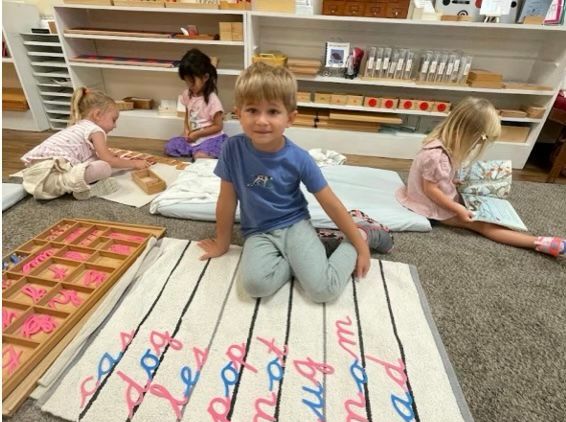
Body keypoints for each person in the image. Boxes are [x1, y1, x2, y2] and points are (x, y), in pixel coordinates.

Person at [198, 62, 393, 303]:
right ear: (238, 114)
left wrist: (359, 247)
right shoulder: (231, 149)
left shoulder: (299, 158)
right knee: (255, 285)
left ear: (290, 118)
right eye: (252, 110)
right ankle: (304, 258)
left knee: (324, 290)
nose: (261, 120)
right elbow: (227, 199)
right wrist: (222, 243)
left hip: (294, 225)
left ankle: (363, 234)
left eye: (272, 111)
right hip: (258, 232)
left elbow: (330, 203)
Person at [396, 97, 566, 258]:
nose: (477, 145)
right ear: (468, 133)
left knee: (487, 212)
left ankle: (537, 240)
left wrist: (451, 181)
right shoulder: (436, 155)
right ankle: (538, 242)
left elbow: (435, 180)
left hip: (435, 198)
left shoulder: (444, 146)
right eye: (479, 140)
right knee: (483, 225)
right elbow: (430, 190)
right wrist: (458, 209)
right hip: (428, 206)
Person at [19, 87, 149, 200]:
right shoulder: (96, 130)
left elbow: (91, 154)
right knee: (104, 167)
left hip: (34, 172)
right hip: (51, 177)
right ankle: (72, 185)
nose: (115, 126)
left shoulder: (81, 126)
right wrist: (134, 163)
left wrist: (107, 153)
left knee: (94, 160)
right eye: (113, 120)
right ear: (97, 114)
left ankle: (67, 182)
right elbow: (108, 161)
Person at [164, 49, 227, 159]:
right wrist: (186, 131)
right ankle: (195, 151)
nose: (189, 85)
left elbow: (218, 126)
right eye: (186, 81)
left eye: (192, 82)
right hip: (193, 137)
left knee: (201, 156)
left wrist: (198, 134)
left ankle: (201, 153)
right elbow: (187, 115)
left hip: (210, 138)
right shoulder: (187, 94)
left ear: (205, 77)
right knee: (170, 146)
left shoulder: (212, 100)